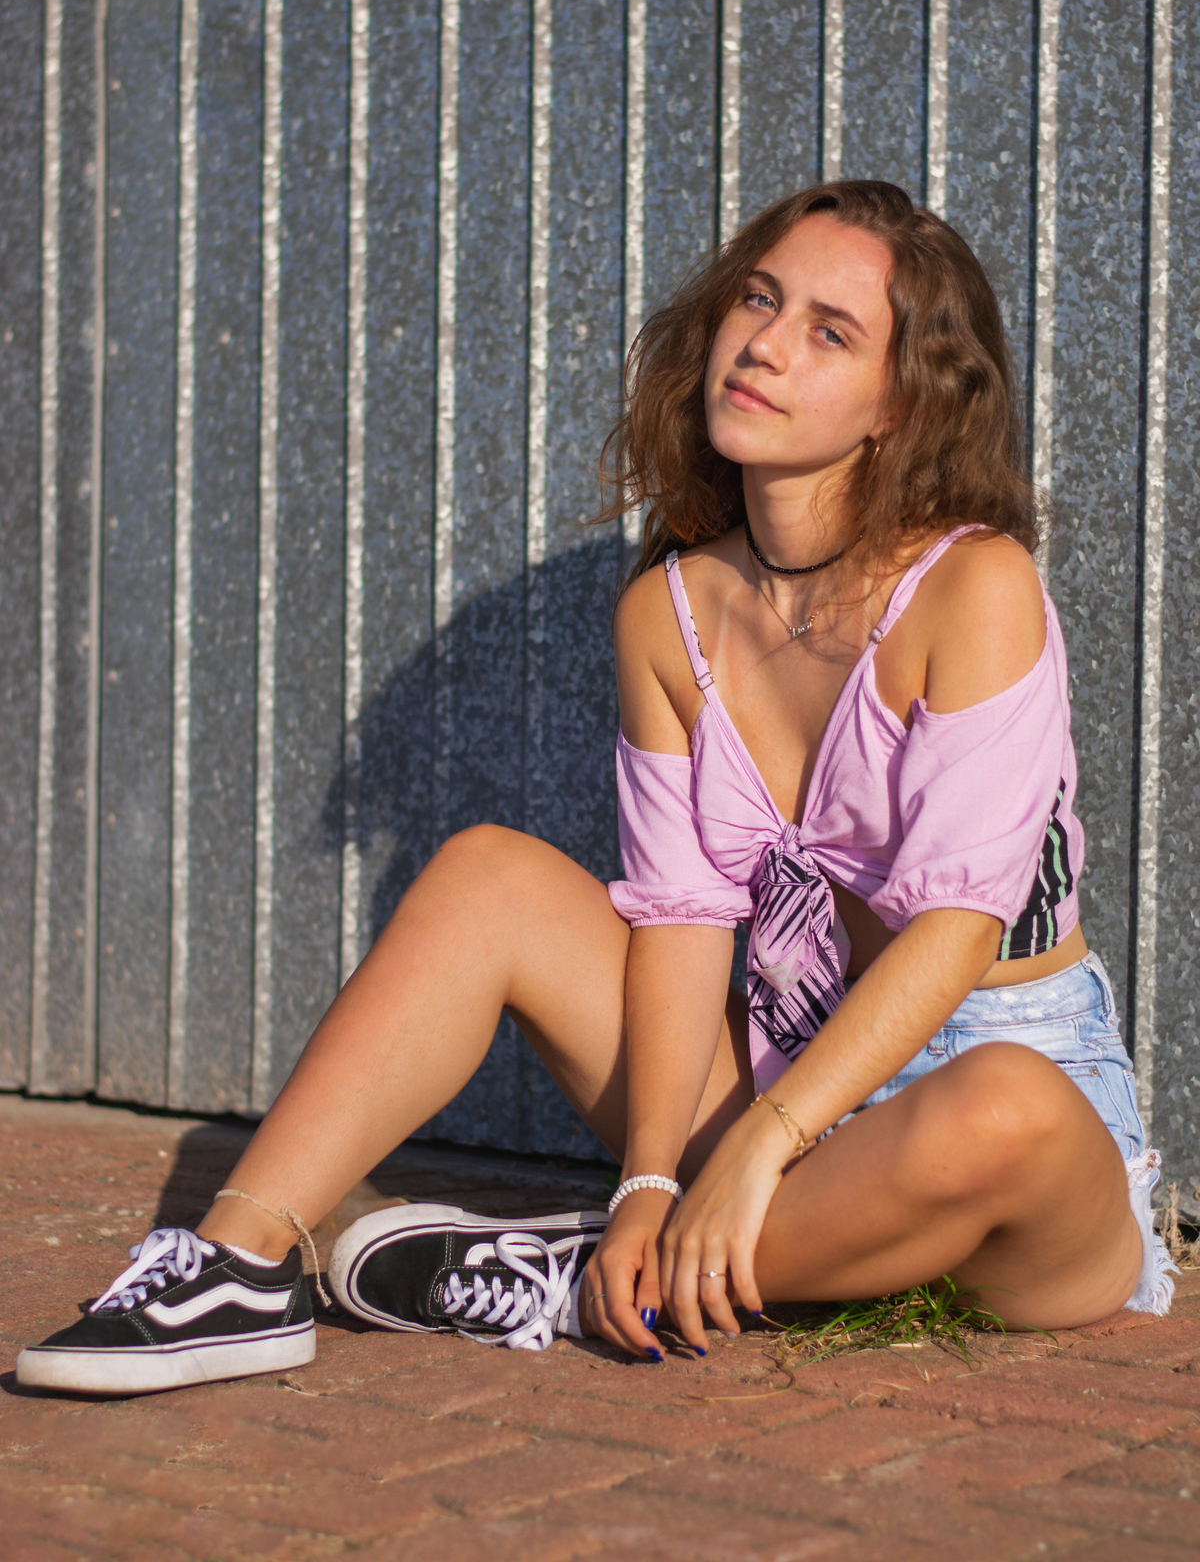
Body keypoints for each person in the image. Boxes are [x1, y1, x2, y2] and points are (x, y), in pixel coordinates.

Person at [18, 180, 1173, 1396]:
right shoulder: (670, 616)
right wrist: (651, 1177)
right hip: (792, 1092)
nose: (766, 344)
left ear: (901, 402)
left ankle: (571, 1278)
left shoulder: (972, 587)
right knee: (484, 879)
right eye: (760, 300)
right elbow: (680, 921)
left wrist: (754, 1154)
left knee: (1005, 1103)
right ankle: (231, 1272)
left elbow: (955, 930)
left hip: (1014, 1166)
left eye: (830, 332)